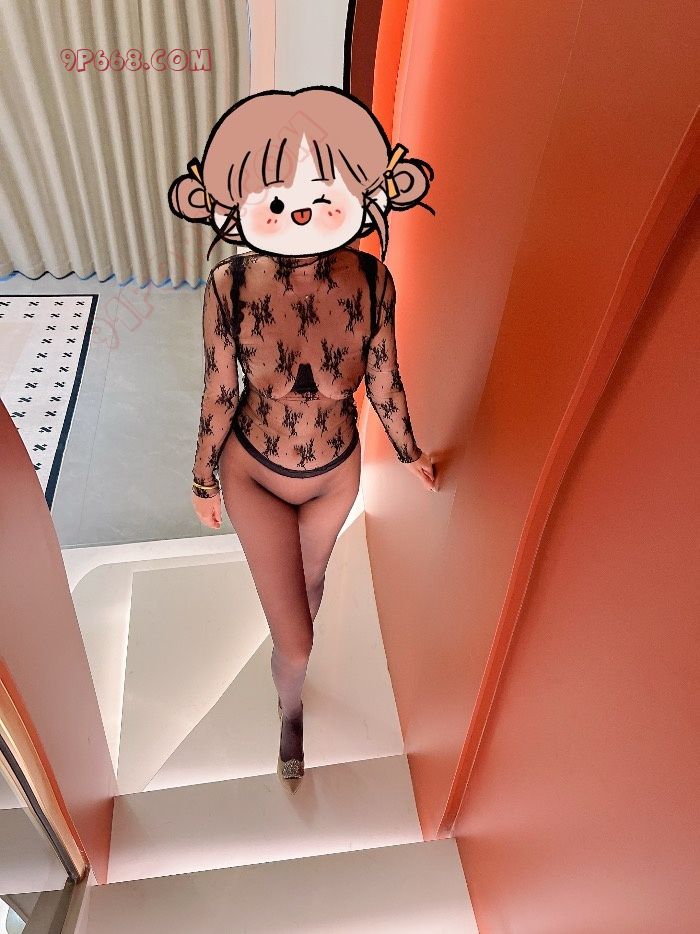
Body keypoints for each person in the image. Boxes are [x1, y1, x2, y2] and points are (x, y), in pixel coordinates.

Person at [168, 86, 436, 794]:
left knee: (311, 585)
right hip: (253, 473)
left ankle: (294, 666)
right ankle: (291, 709)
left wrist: (410, 451)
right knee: (296, 638)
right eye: (280, 200)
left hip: (336, 475)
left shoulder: (373, 280)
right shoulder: (229, 285)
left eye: (324, 195)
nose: (304, 213)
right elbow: (219, 388)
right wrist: (201, 476)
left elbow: (384, 376)